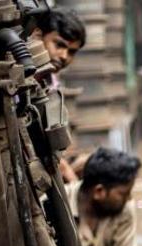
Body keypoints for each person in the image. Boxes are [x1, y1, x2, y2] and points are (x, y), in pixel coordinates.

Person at [27, 7, 87, 182]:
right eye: (59, 44)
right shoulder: (21, 75)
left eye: (72, 52)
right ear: (38, 35)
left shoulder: (51, 81)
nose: (64, 56)